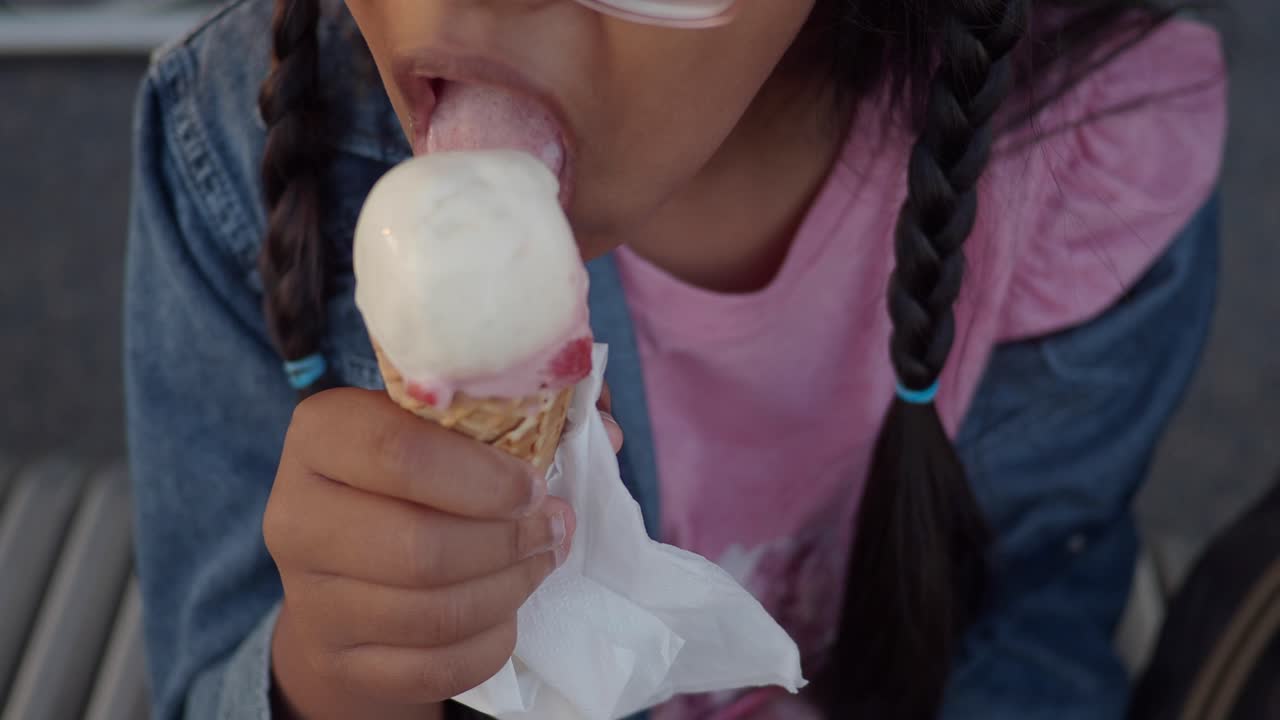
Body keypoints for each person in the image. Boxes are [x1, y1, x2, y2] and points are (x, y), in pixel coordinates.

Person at [124, 0, 1226, 718]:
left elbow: (1035, 616)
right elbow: (201, 676)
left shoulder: (1078, 152)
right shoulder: (249, 140)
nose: (466, 8)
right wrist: (321, 674)